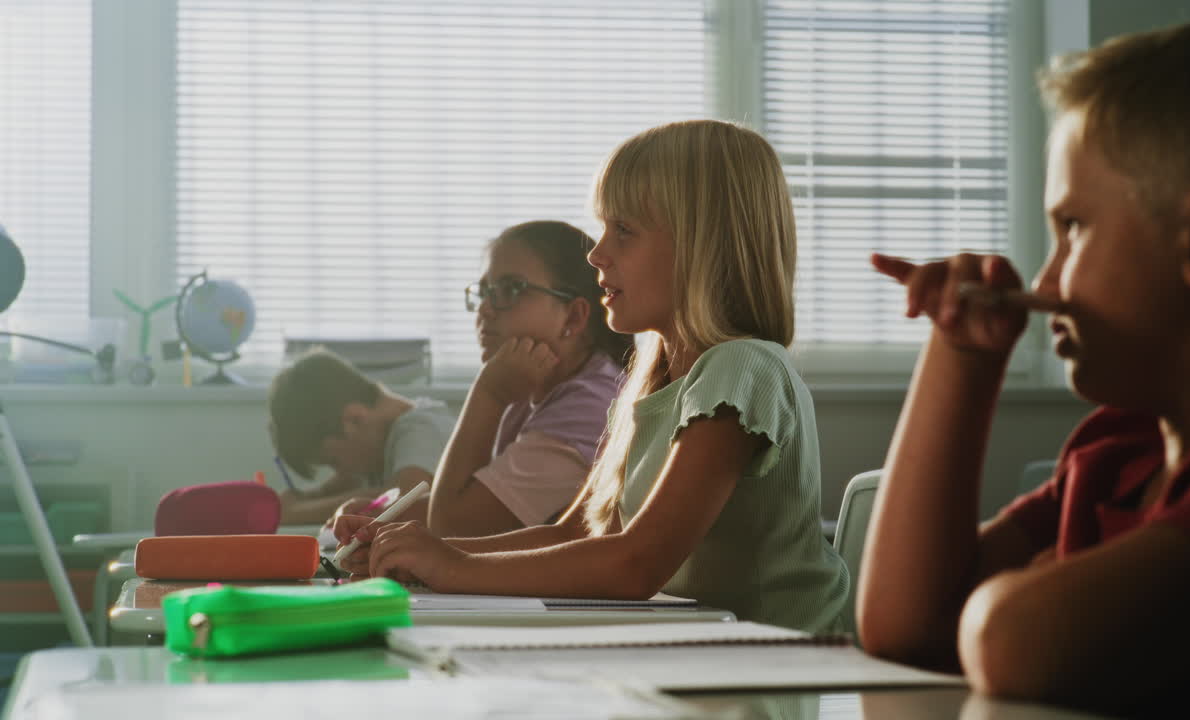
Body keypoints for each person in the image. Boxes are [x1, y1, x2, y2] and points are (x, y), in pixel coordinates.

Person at [858, 20, 1190, 715]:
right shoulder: (1116, 457)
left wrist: (1029, 591)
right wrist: (962, 354)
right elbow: (905, 627)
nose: (1048, 284)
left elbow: (1008, 641)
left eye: (1073, 229)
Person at [337, 119, 851, 634]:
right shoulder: (652, 384)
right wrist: (423, 554)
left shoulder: (743, 368)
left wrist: (451, 566)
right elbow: (581, 532)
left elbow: (635, 564)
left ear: (703, 245)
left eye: (623, 231)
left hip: (777, 669)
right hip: (704, 647)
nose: (596, 253)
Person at [423, 220, 631, 537]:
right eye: (484, 292)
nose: (486, 310)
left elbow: (453, 528)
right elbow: (470, 500)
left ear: (574, 316)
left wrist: (488, 394)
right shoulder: (535, 391)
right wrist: (379, 522)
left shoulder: (590, 406)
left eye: (510, 290)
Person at [268, 349, 454, 525]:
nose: (339, 473)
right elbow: (345, 484)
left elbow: (401, 501)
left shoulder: (423, 429)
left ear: (354, 419)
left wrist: (293, 513)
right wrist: (308, 497)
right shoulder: (376, 443)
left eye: (335, 461)